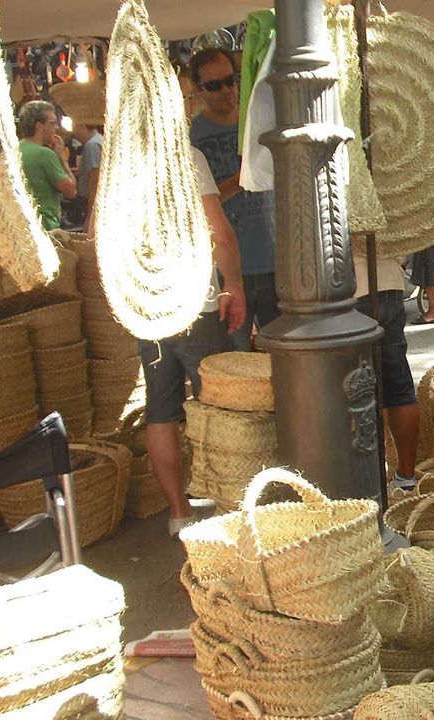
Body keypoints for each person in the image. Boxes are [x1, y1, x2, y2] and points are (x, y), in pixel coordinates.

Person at [148, 65, 249, 537]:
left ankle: (178, 512)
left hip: (144, 307)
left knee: (161, 409)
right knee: (222, 407)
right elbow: (220, 234)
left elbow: (95, 234)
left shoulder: (119, 167)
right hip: (194, 302)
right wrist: (236, 286)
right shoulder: (185, 159)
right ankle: (231, 510)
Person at [188, 47, 278, 351]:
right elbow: (193, 208)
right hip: (226, 270)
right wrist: (240, 179)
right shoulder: (191, 137)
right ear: (198, 89)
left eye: (231, 80)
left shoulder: (258, 122)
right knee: (234, 366)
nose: (226, 90)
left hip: (275, 258)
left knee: (287, 356)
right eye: (214, 85)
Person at [353, 243, 418, 490]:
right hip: (390, 282)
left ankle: (366, 482)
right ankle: (405, 477)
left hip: (354, 286)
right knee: (398, 382)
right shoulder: (386, 204)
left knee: (355, 388)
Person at [17, 100, 77, 230]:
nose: (56, 128)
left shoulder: (14, 150)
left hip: (21, 226)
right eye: (52, 123)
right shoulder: (44, 154)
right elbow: (71, 191)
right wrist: (62, 159)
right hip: (45, 226)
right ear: (39, 126)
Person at [72, 122, 103, 229]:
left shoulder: (92, 145)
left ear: (81, 125)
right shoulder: (98, 141)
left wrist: (90, 215)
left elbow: (94, 178)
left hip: (89, 202)